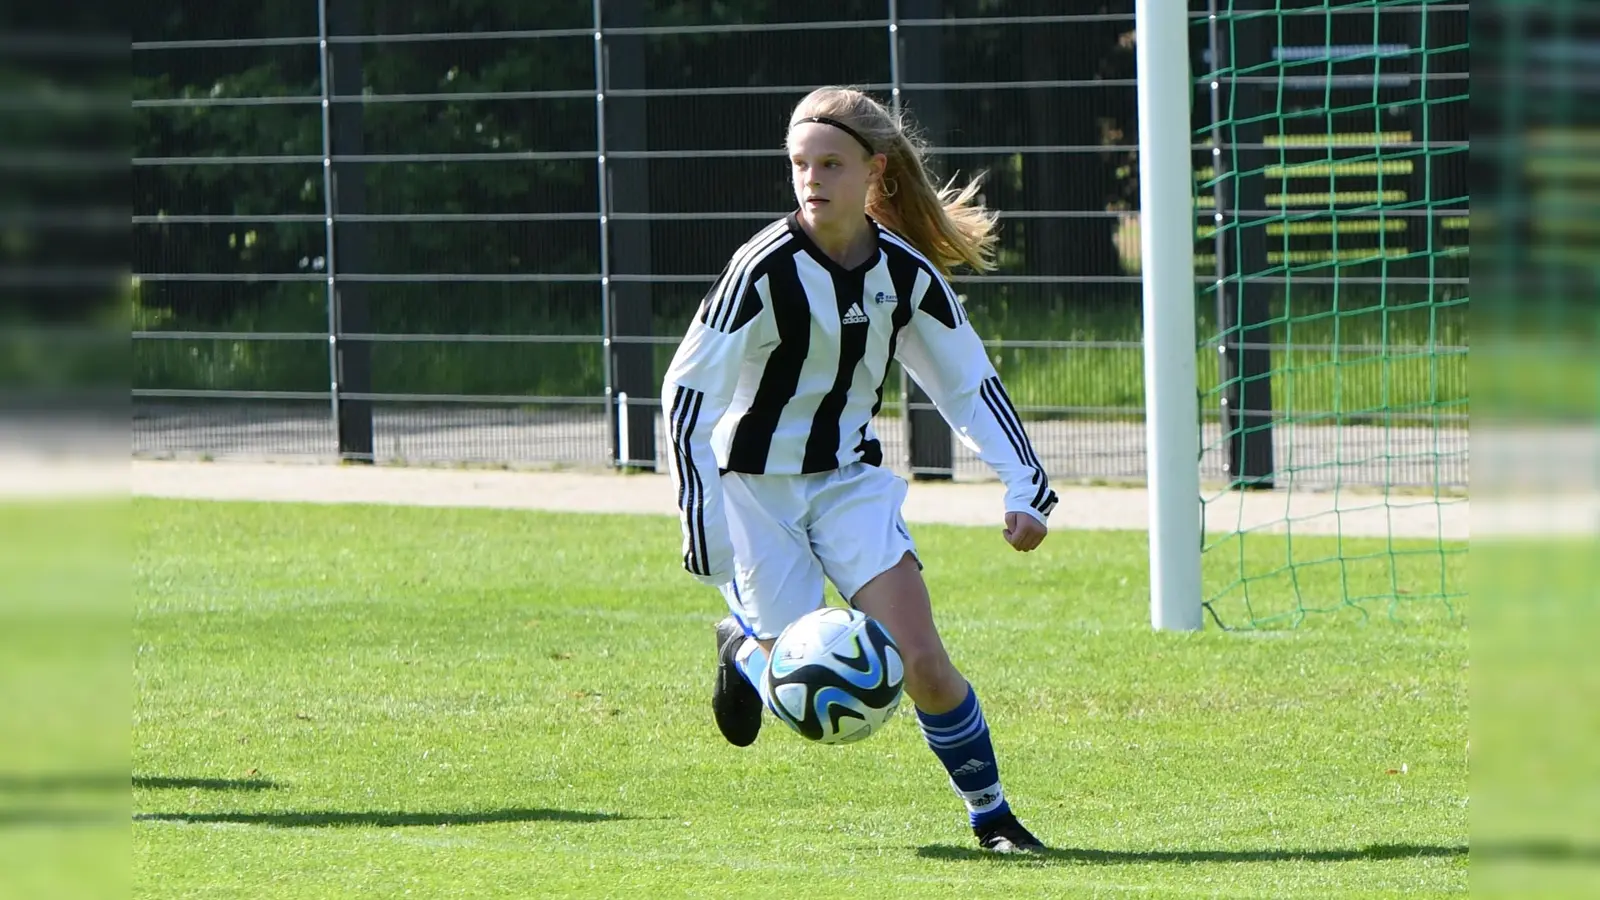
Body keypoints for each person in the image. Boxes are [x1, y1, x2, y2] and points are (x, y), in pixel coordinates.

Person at [660, 86, 1056, 855]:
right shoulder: (761, 270)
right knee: (793, 690)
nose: (812, 178)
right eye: (800, 164)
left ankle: (994, 819)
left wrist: (1024, 484)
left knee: (924, 664)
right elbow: (687, 396)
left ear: (874, 170)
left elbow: (967, 381)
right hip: (754, 491)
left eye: (831, 163)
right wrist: (701, 517)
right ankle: (741, 646)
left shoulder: (905, 275)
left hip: (848, 484)